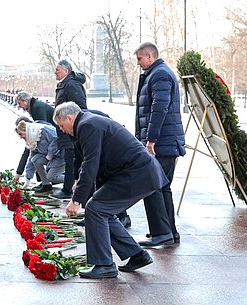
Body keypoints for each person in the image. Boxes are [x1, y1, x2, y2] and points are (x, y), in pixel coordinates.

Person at [55, 102, 168, 279]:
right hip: (136, 171)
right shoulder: (87, 122)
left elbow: (90, 163)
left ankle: (104, 265)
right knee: (100, 209)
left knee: (95, 208)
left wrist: (76, 201)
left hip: (137, 173)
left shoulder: (87, 125)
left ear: (69, 118)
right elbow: (96, 162)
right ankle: (136, 255)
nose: (62, 130)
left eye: (61, 125)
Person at [134, 42, 186, 246]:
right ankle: (169, 232)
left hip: (161, 143)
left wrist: (150, 141)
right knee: (162, 187)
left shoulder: (160, 75)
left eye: (139, 59)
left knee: (151, 186)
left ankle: (161, 232)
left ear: (149, 56)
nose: (138, 63)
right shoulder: (157, 74)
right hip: (163, 142)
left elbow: (159, 109)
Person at [52, 60, 86, 200]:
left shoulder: (71, 84)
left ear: (66, 71)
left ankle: (68, 189)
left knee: (71, 158)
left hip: (71, 128)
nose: (55, 72)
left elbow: (80, 107)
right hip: (65, 127)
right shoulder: (65, 84)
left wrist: (74, 126)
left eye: (58, 70)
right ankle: (68, 187)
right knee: (69, 158)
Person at [13, 119, 63, 193]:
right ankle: (46, 185)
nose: (21, 137)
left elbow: (55, 139)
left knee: (51, 177)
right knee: (35, 160)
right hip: (51, 157)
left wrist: (49, 154)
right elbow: (30, 159)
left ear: (26, 131)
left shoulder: (43, 131)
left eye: (21, 134)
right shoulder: (32, 139)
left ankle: (73, 179)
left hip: (61, 155)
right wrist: (28, 179)